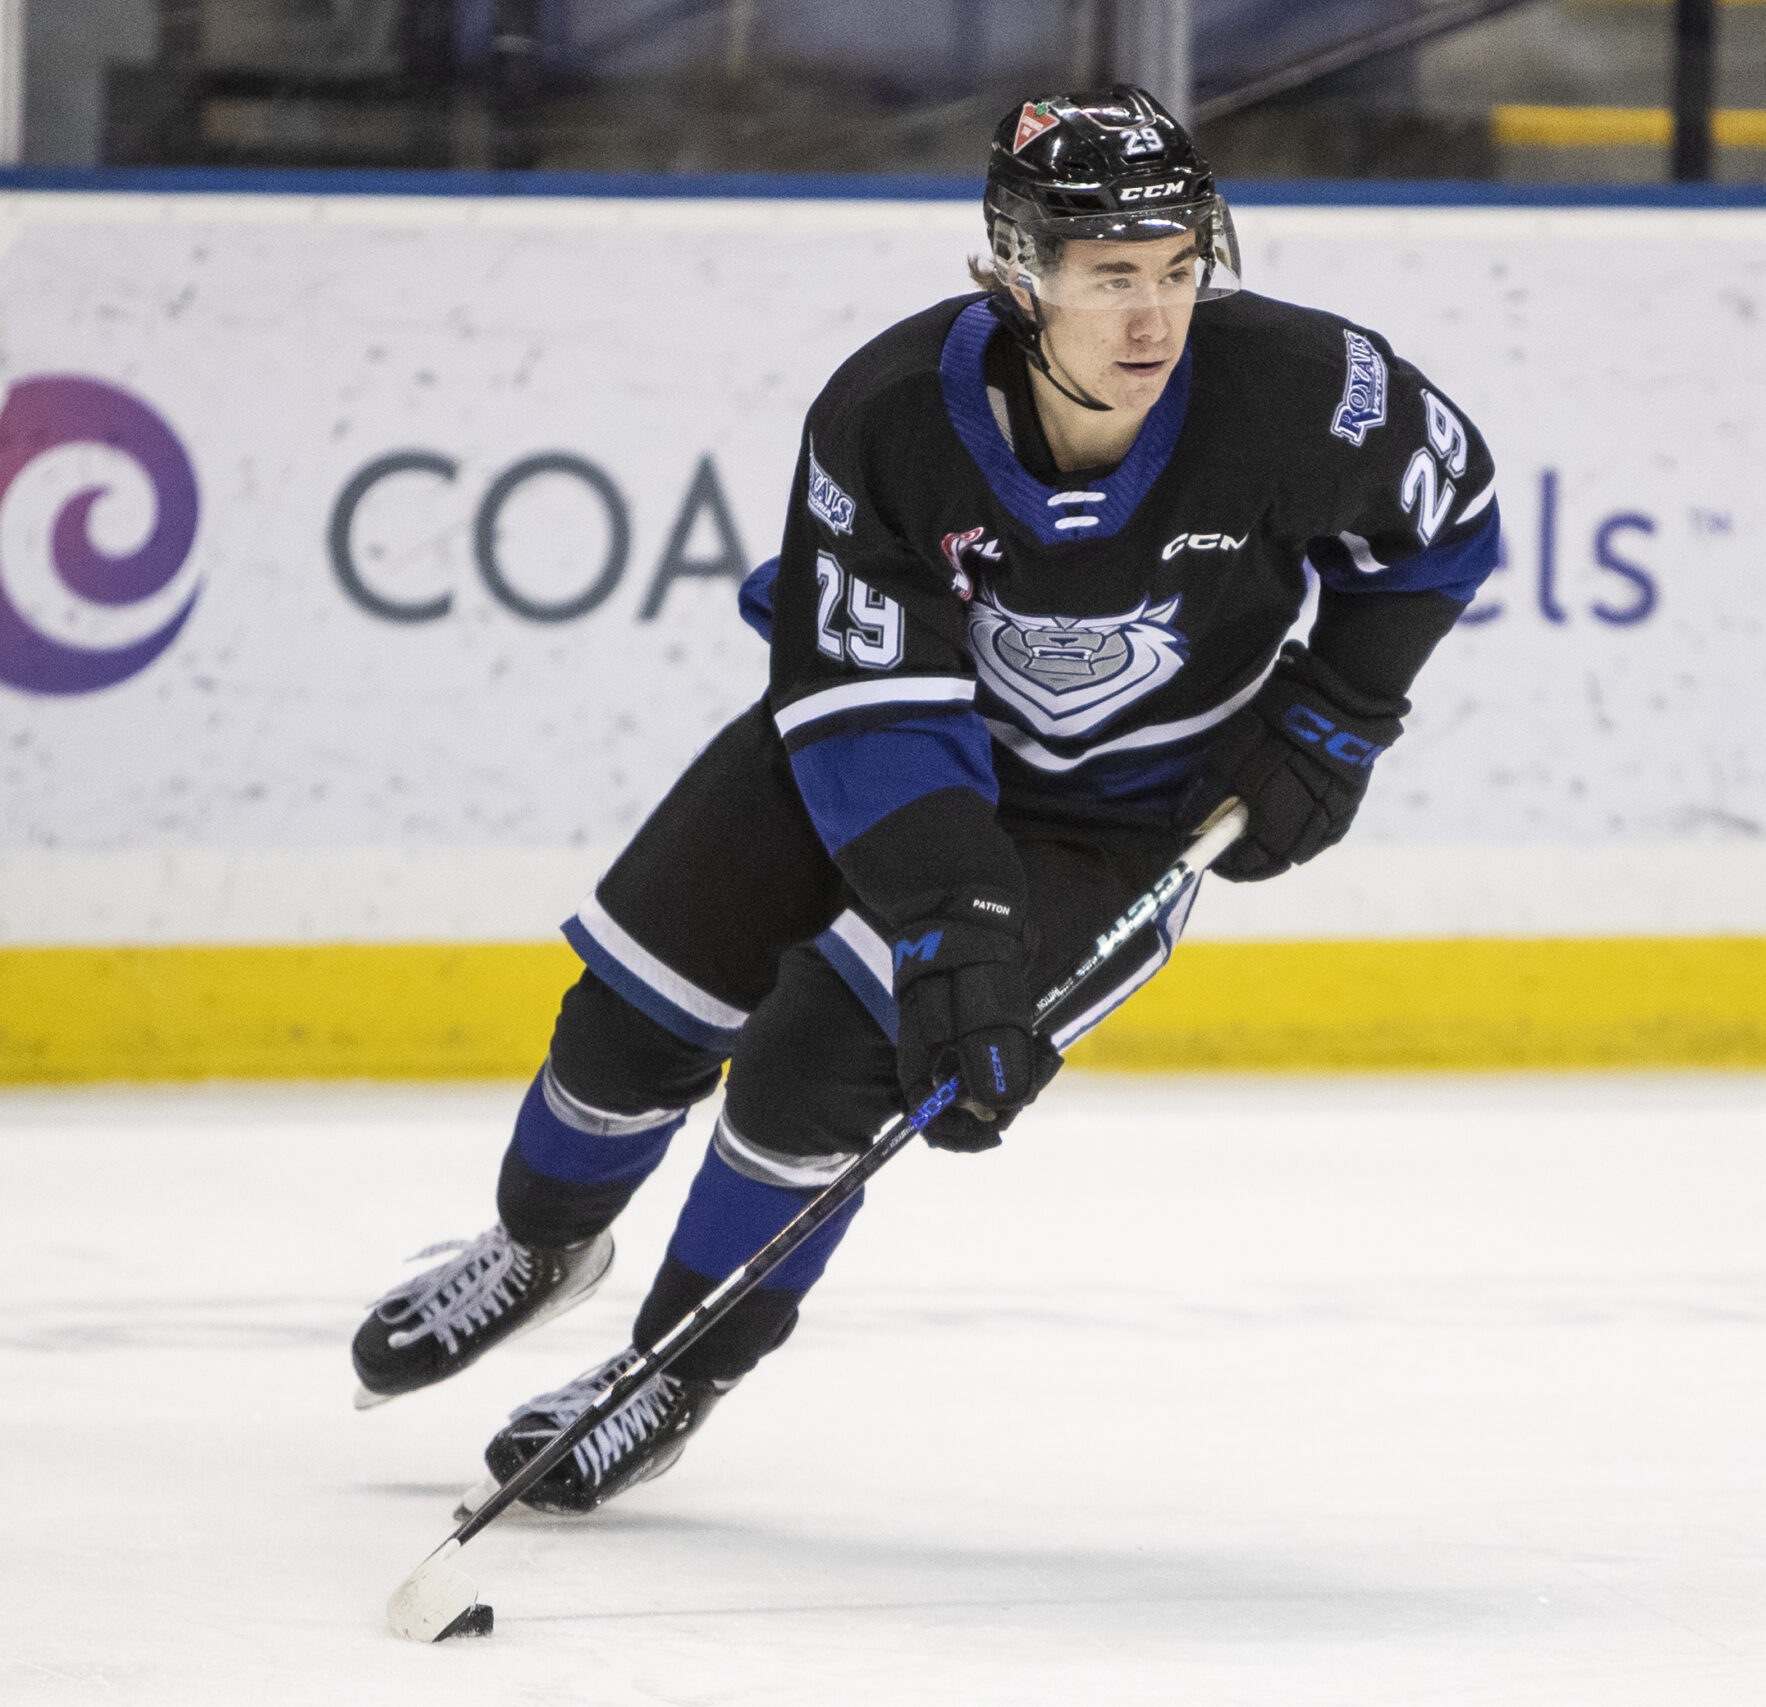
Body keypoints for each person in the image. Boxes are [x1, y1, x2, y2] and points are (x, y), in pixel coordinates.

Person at [349, 86, 1501, 1514]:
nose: (1153, 320)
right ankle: (539, 1242)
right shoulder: (893, 415)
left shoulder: (1307, 390)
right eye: (1111, 280)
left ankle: (672, 1370)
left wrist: (1342, 712)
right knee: (635, 1008)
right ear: (1017, 277)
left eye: (1179, 271)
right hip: (874, 747)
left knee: (813, 1069)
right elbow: (866, 703)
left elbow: (1446, 523)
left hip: (1121, 820)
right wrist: (953, 923)